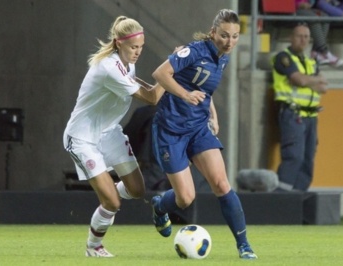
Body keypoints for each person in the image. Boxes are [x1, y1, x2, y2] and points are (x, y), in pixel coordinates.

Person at [150, 9, 257, 260]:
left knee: (221, 183)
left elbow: (202, 88)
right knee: (185, 198)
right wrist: (185, 95)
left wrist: (212, 113)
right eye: (224, 36)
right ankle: (159, 205)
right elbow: (160, 74)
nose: (229, 42)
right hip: (170, 130)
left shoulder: (223, 57)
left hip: (198, 128)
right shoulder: (194, 51)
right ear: (213, 33)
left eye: (234, 36)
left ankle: (244, 245)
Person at [63, 16, 164, 257]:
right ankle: (93, 246)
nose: (138, 52)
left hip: (109, 133)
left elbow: (146, 88)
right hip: (82, 138)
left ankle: (107, 198)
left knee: (138, 190)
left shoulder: (127, 64)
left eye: (141, 47)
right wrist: (171, 69)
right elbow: (152, 98)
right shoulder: (109, 67)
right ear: (119, 43)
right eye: (133, 47)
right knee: (113, 203)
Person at [271, 23, 328, 192]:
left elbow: (324, 87)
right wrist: (313, 80)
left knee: (307, 159)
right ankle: (281, 199)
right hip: (293, 114)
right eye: (299, 36)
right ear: (291, 37)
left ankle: (299, 201)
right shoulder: (283, 57)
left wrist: (308, 80)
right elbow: (300, 80)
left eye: (306, 37)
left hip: (311, 117)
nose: (303, 40)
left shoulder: (310, 61)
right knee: (294, 157)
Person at [296, 0, 343, 66]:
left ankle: (316, 53)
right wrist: (298, 4)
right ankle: (325, 52)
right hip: (294, 9)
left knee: (325, 17)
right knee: (314, 18)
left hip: (308, 9)